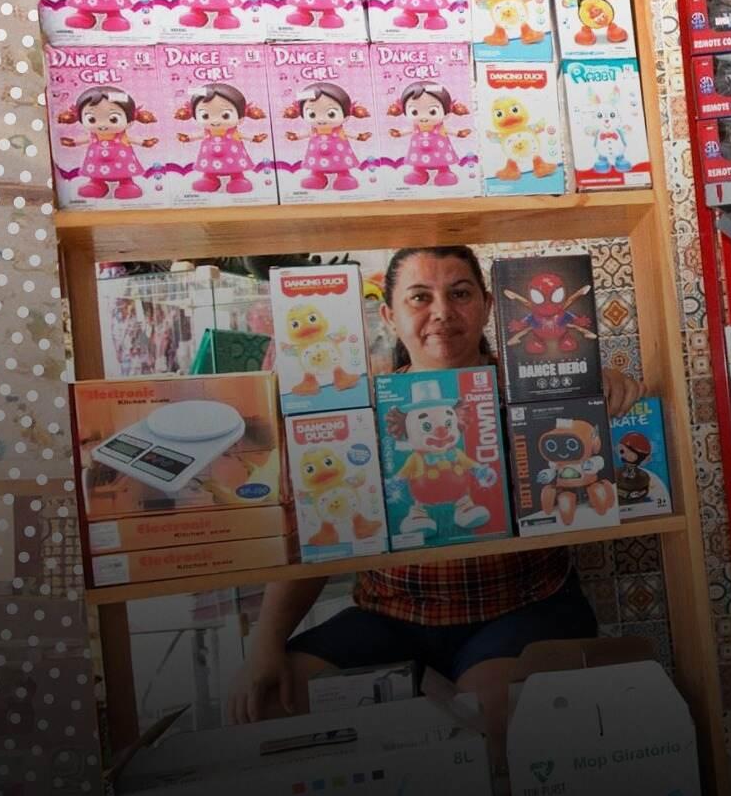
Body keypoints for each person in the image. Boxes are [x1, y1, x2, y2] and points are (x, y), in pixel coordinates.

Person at [226, 245, 644, 765]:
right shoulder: (363, 411)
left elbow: (622, 439)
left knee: (490, 729)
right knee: (271, 705)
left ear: (489, 306)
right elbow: (319, 533)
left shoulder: (539, 388)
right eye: (420, 297)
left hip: (519, 609)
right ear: (389, 315)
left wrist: (601, 386)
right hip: (390, 613)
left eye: (460, 293)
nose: (442, 313)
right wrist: (265, 644)